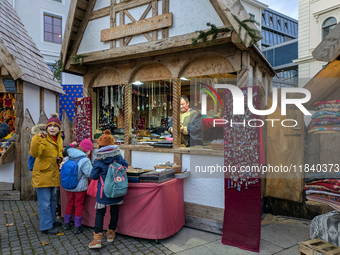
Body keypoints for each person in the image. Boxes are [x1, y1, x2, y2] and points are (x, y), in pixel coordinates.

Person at [89, 130, 128, 249]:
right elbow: (125, 166)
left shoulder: (98, 160)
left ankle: (97, 240)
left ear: (100, 145)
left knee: (100, 212)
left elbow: (93, 176)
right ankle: (111, 234)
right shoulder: (118, 156)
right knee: (114, 211)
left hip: (103, 191)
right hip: (116, 188)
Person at [30, 113, 63, 235]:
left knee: (53, 200)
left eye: (55, 126)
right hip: (43, 175)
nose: (52, 128)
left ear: (59, 128)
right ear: (46, 128)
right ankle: (45, 226)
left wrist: (59, 158)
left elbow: (56, 153)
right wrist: (36, 138)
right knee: (45, 203)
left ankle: (51, 221)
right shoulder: (43, 138)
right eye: (50, 126)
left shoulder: (57, 139)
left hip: (52, 174)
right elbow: (35, 153)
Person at [63, 139, 93, 234]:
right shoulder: (85, 160)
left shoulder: (69, 157)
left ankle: (66, 223)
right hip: (80, 187)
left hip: (69, 185)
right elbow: (89, 174)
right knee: (79, 205)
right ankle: (77, 226)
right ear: (88, 150)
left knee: (70, 203)